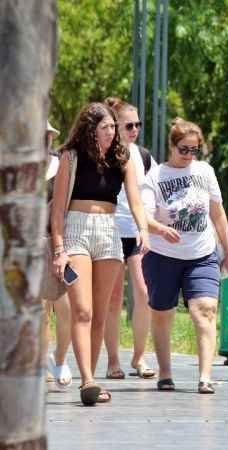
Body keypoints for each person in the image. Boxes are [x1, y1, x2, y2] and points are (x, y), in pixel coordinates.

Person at [50, 103, 151, 406]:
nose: (112, 132)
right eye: (106, 127)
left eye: (113, 127)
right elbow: (56, 213)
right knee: (82, 310)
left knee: (100, 313)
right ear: (90, 131)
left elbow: (134, 200)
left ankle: (90, 379)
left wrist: (143, 229)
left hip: (109, 231)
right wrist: (58, 250)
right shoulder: (70, 157)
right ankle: (88, 380)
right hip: (77, 230)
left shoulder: (123, 158)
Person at [141, 117, 228, 394]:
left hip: (201, 254)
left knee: (205, 310)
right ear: (172, 146)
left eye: (195, 150)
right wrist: (160, 229)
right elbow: (143, 217)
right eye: (184, 149)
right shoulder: (155, 177)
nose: (189, 155)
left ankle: (205, 376)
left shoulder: (205, 171)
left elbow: (217, 212)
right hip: (162, 256)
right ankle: (166, 373)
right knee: (162, 314)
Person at [103, 97, 157, 380]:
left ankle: (139, 356)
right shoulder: (103, 154)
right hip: (110, 232)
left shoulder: (143, 155)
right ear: (114, 126)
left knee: (144, 294)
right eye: (128, 125)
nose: (134, 129)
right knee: (113, 300)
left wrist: (152, 226)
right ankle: (113, 361)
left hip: (136, 232)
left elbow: (154, 192)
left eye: (138, 124)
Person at [41, 121, 72, 390]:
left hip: (58, 242)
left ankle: (59, 357)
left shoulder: (61, 165)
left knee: (67, 307)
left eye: (46, 135)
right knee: (40, 309)